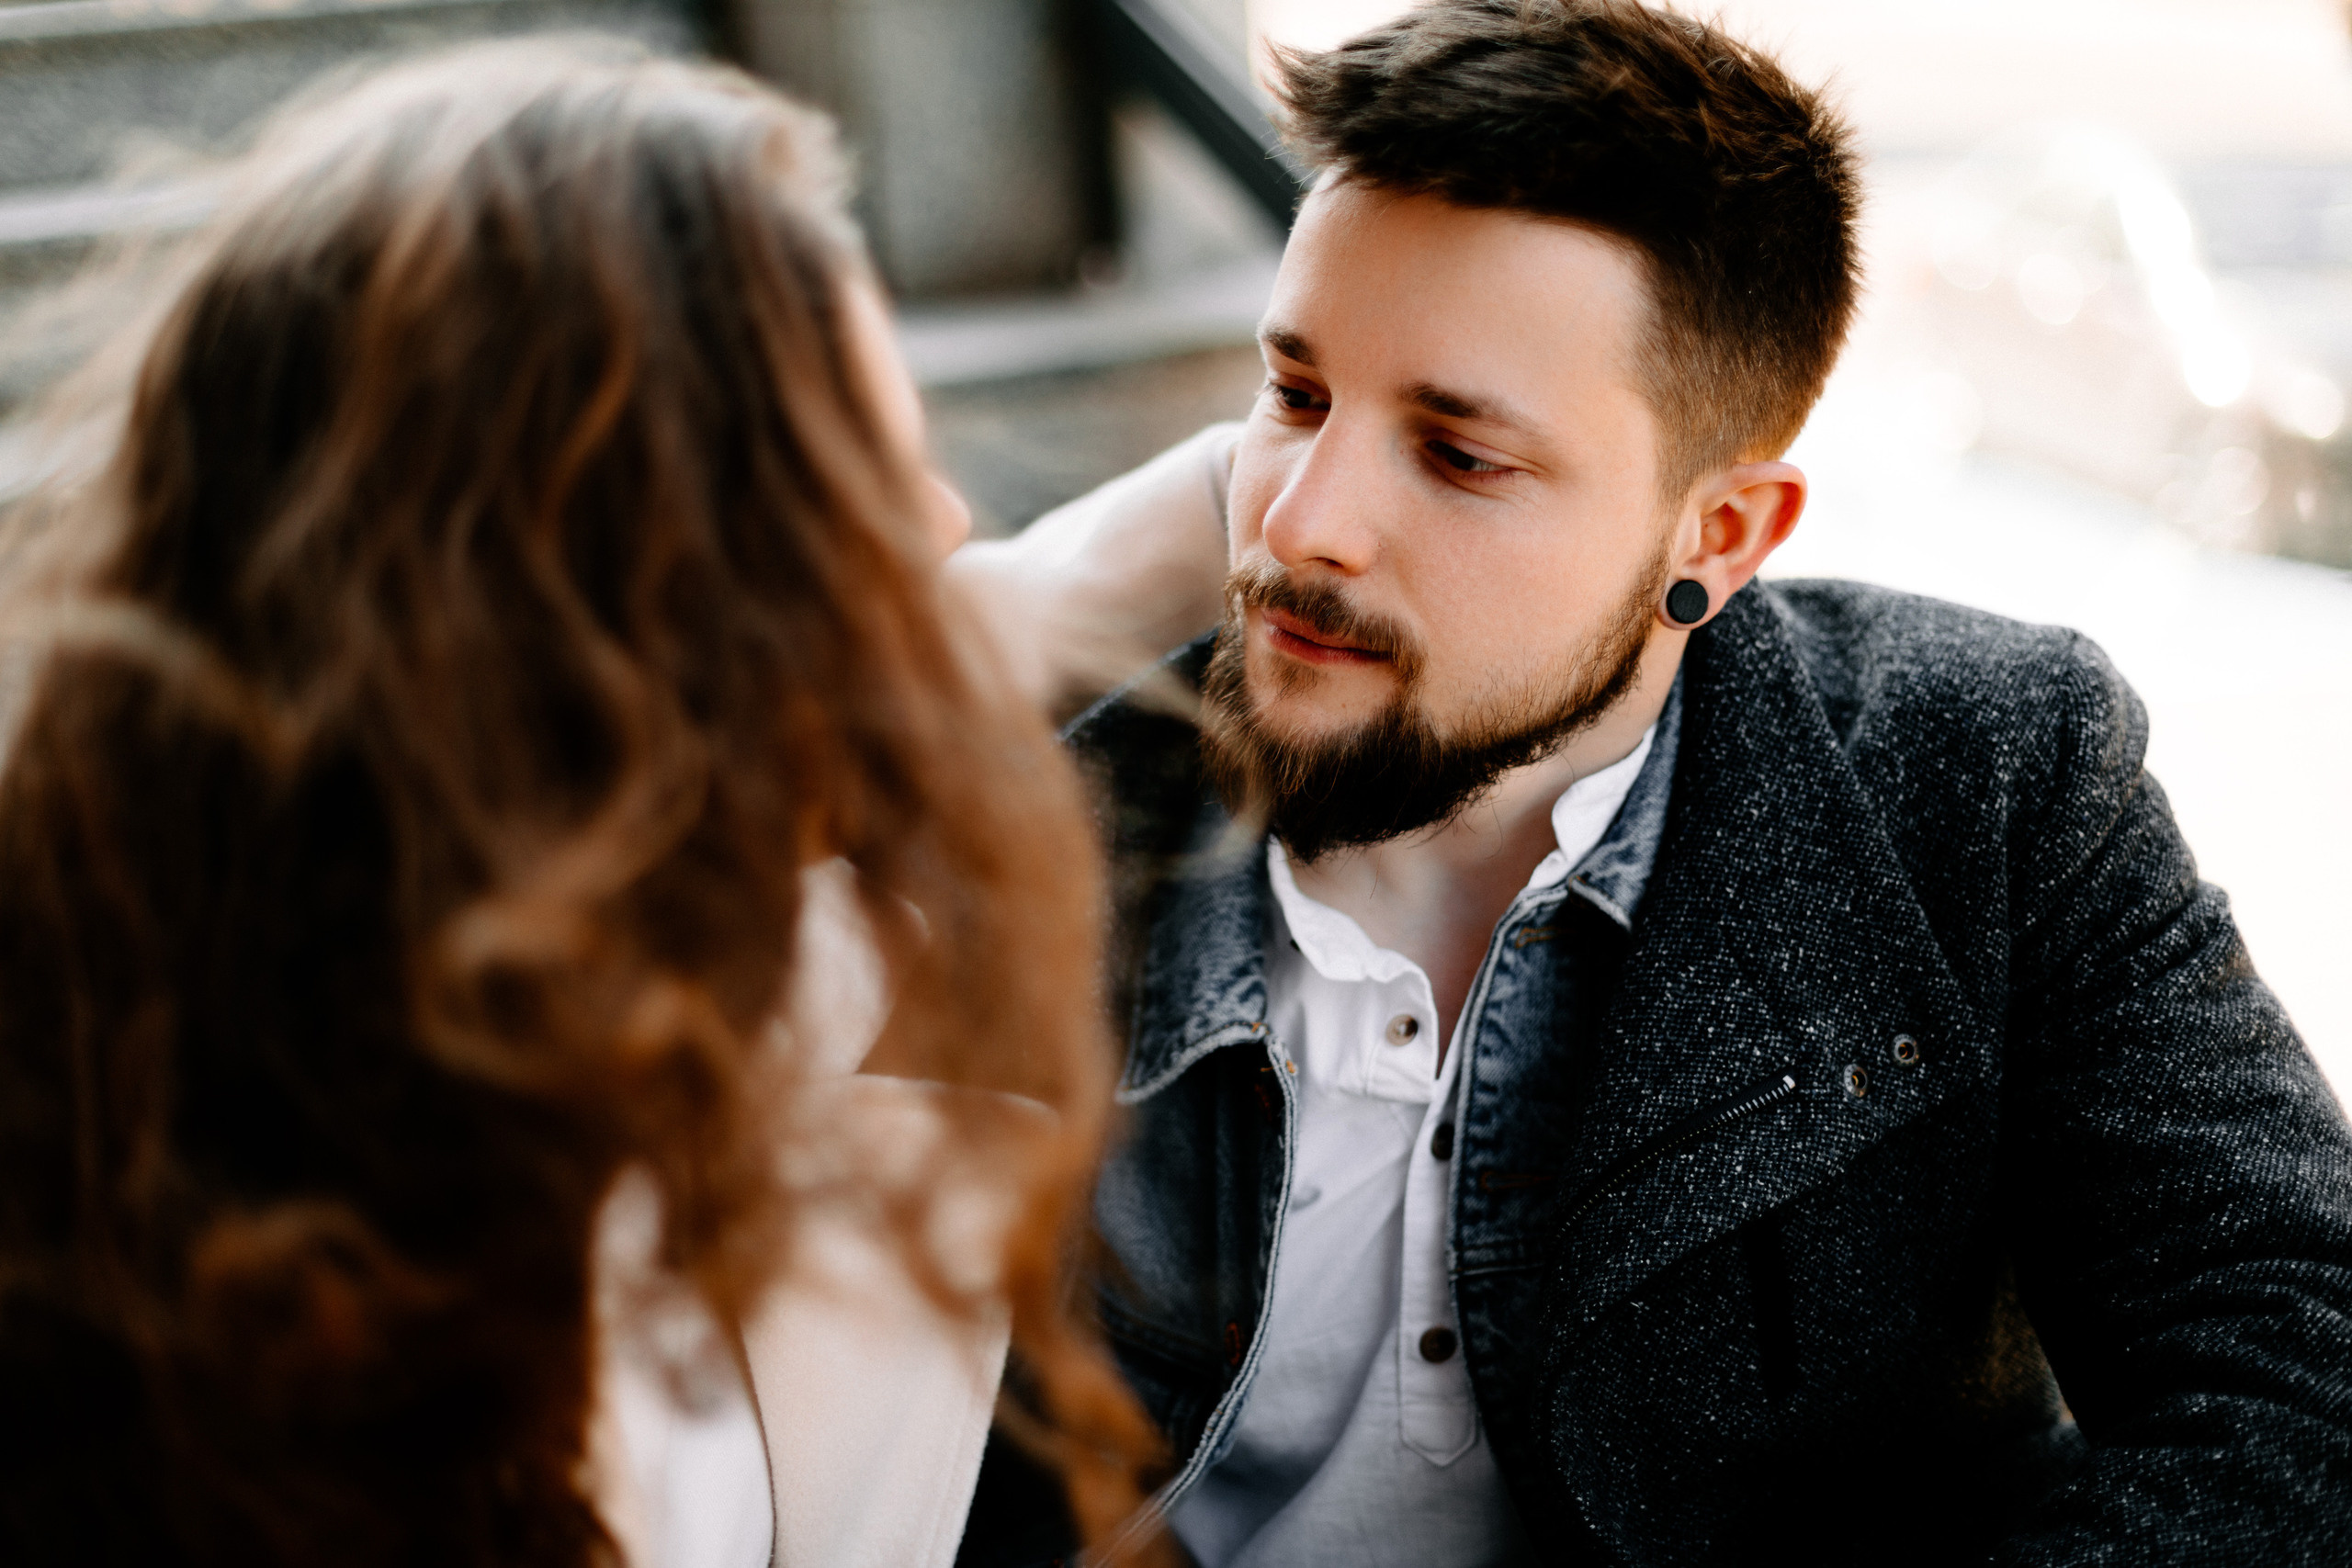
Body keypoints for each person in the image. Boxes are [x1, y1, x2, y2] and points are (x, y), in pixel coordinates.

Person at [954, 3, 2352, 1564]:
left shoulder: (1986, 779)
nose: (1301, 521)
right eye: (1296, 394)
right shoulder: (1027, 814)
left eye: (1461, 455)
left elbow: (2303, 1374)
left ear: (1722, 534)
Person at [0, 43, 1167, 1567]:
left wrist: (1243, 500)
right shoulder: (280, 1358)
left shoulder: (561, 961)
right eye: (854, 481)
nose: (943, 526)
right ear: (588, 610)